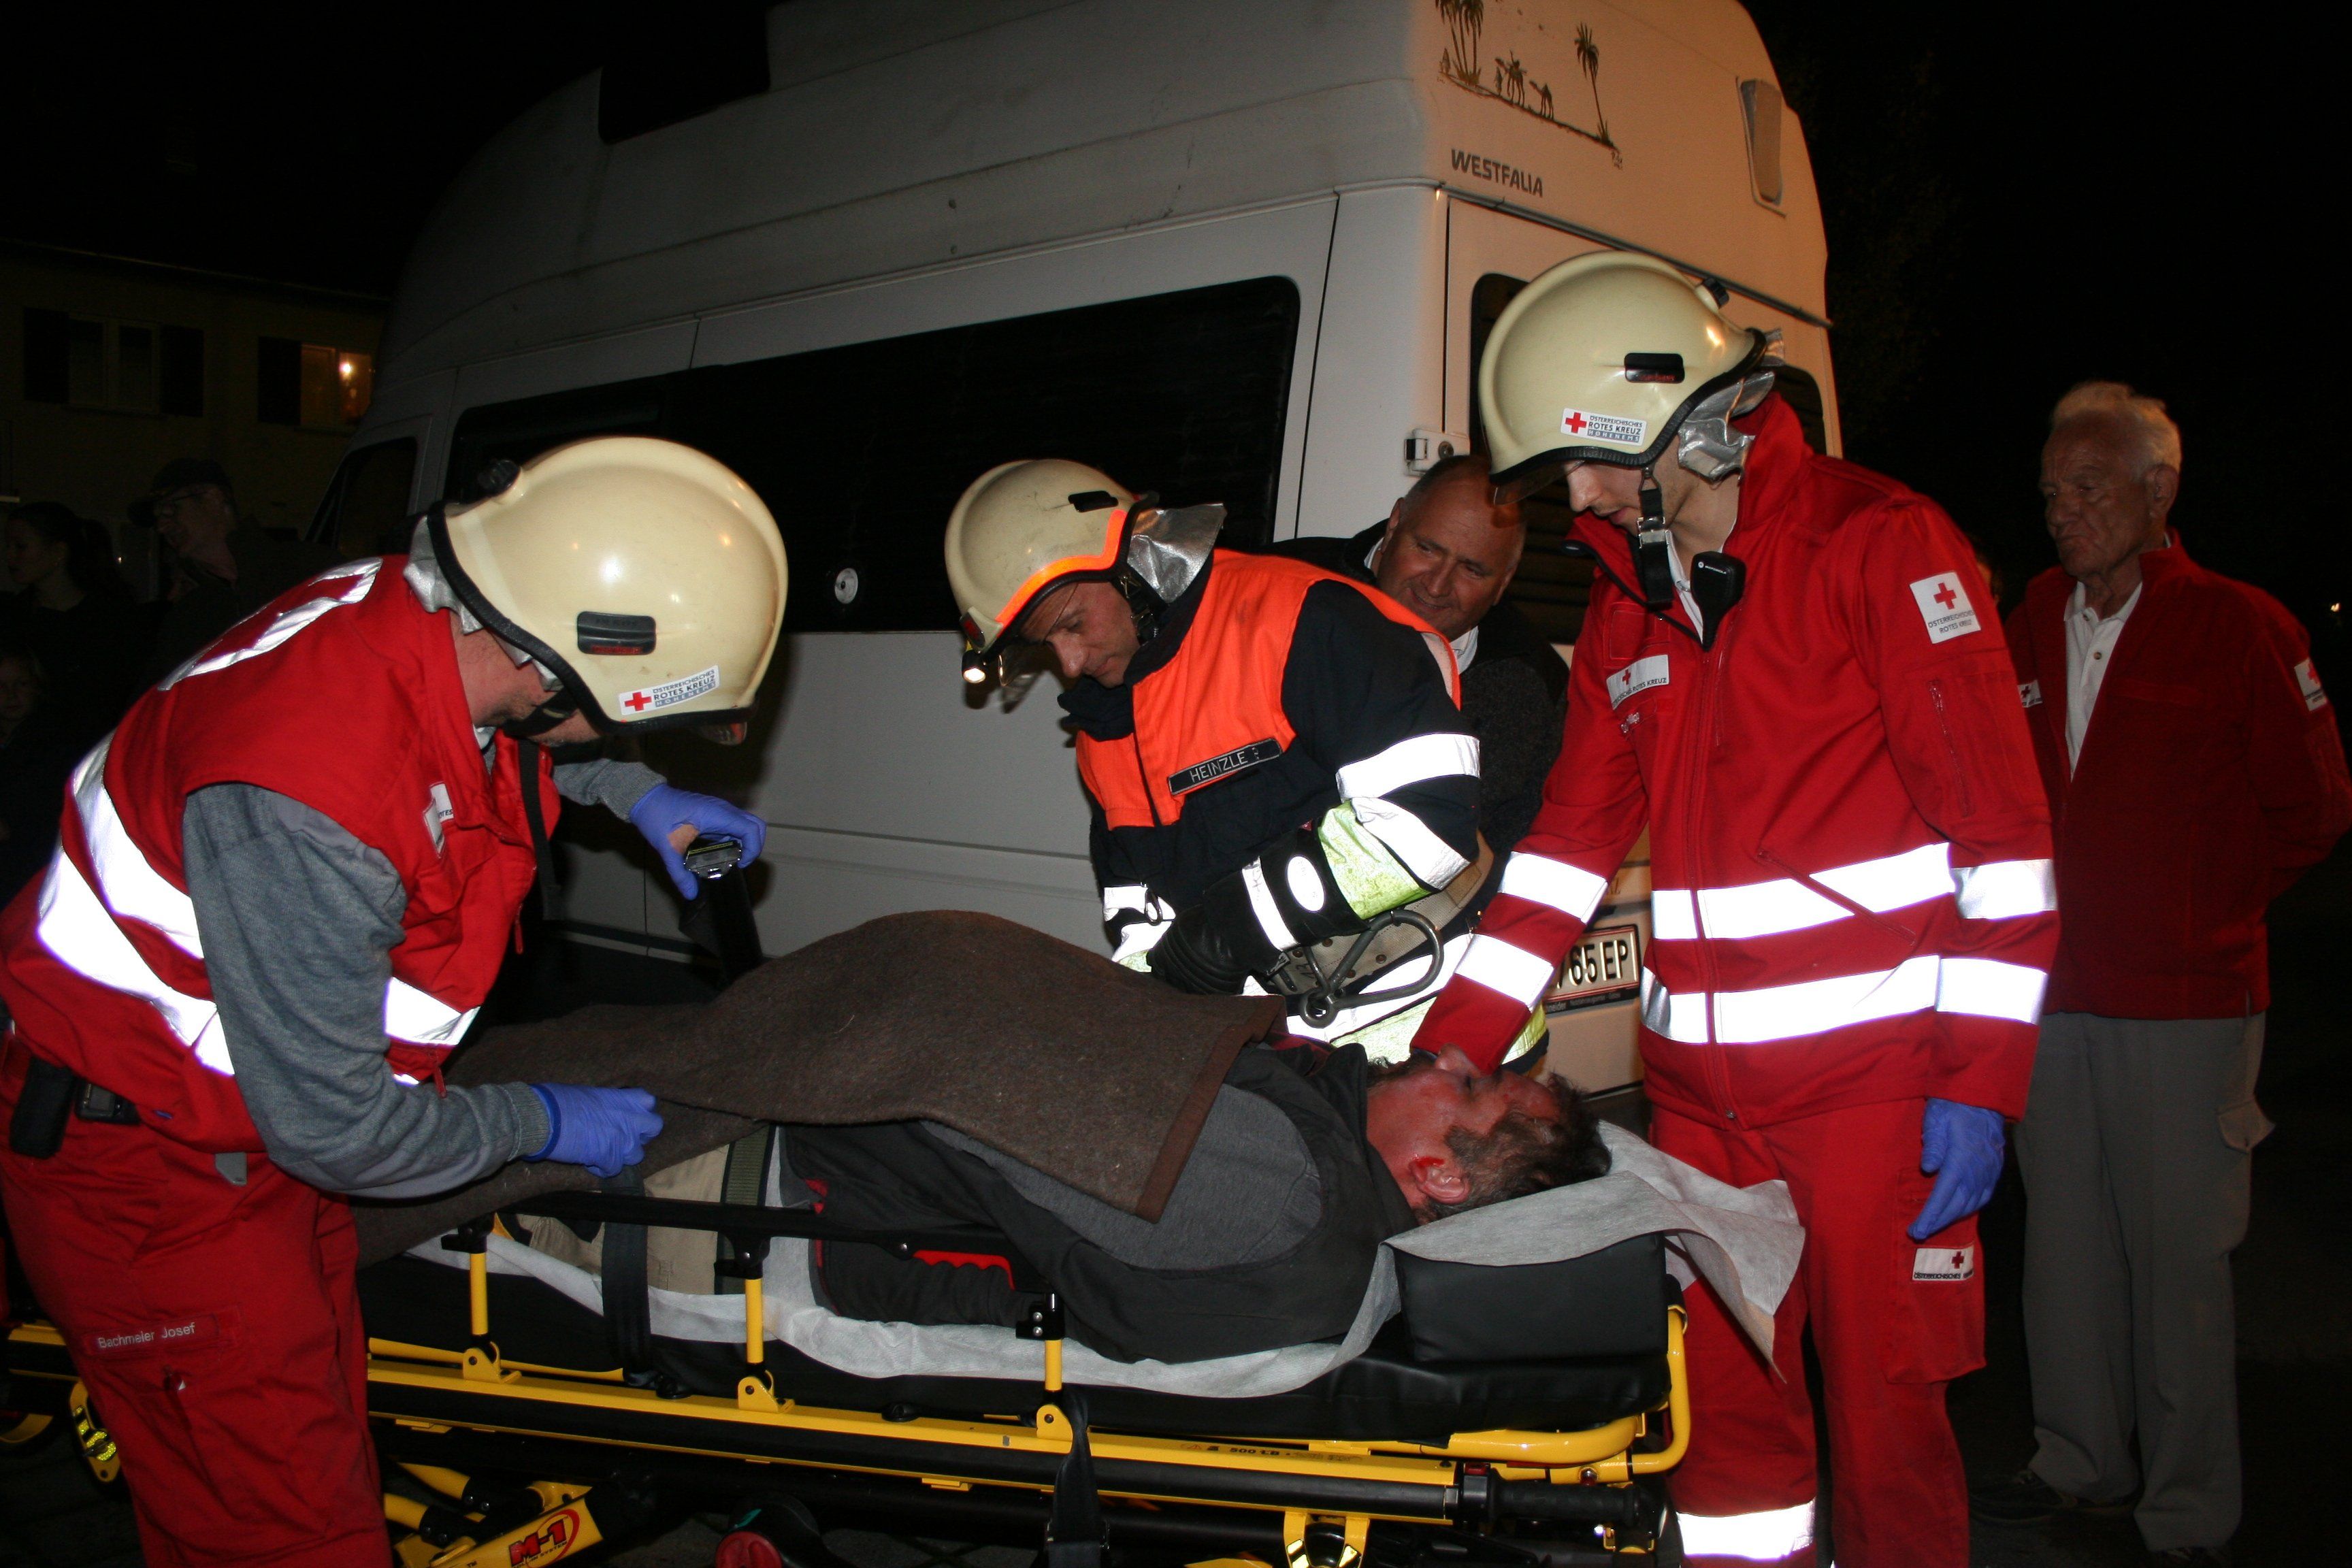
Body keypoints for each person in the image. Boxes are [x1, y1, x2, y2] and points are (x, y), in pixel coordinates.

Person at [0, 436, 790, 1568]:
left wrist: (633, 790)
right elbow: (341, 1130)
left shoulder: (430, 611)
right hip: (153, 1183)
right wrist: (538, 1120)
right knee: (282, 1532)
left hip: (248, 1136)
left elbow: (498, 728)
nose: (621, 738)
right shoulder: (304, 800)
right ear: (547, 663)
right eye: (619, 718)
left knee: (322, 1439)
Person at [1406, 252, 2059, 1568]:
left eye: (1591, 461)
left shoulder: (1877, 545)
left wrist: (1979, 1082)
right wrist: (1452, 1044)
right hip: (1703, 1112)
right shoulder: (1625, 606)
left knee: (1889, 1428)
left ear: (1684, 420)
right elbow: (1565, 852)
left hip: (1876, 1098)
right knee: (1729, 1445)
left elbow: (2003, 843)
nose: (1577, 496)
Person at [1972, 384, 2351, 1566]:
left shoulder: (2240, 624)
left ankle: (2188, 1512)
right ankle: (2079, 1459)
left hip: (2186, 1003)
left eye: (2089, 488)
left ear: (2158, 490)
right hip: (2055, 996)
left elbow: (2316, 807)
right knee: (2064, 1248)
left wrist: (2203, 908)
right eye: (2051, 493)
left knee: (2179, 1263)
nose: (2064, 512)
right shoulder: (2033, 618)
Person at [944, 460, 1488, 1060]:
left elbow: (1428, 822)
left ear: (1130, 567)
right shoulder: (1106, 728)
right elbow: (1136, 911)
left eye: (1073, 624)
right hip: (1284, 1057)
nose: (1070, 663)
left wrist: (1234, 928)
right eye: (1046, 644)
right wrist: (1152, 1007)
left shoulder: (1301, 618)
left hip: (1438, 1042)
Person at [800, 1041, 1605, 1362]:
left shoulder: (1277, 1189)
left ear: (1441, 1177)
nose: (1453, 1054)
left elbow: (984, 1087)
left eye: (1469, 1086)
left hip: (842, 1162)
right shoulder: (1336, 1224)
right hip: (884, 1174)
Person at [1267, 455, 1568, 853]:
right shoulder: (1279, 583)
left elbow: (1512, 847)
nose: (1437, 586)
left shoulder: (1533, 683)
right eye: (1427, 549)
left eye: (1472, 570)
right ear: (1394, 524)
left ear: (1504, 581)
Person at [137, 457, 340, 681]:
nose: (162, 527)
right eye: (158, 518)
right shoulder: (188, 617)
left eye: (170, 510)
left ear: (213, 498)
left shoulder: (308, 568)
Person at [0, 501, 150, 741]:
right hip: (29, 748)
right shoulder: (13, 617)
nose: (10, 557)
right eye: (8, 546)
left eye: (21, 546)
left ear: (58, 552)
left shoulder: (110, 618)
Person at [0, 644, 75, 904]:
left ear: (36, 686)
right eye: (1, 686)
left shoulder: (52, 742)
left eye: (21, 684)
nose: (11, 694)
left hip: (33, 870)